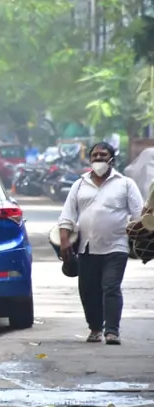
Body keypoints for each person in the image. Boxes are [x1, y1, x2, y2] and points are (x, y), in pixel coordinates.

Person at [58, 142, 144, 345]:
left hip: (116, 246)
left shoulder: (125, 184)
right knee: (88, 290)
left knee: (111, 287)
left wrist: (141, 237)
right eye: (94, 155)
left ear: (112, 159)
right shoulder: (79, 185)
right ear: (89, 159)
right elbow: (67, 216)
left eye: (103, 155)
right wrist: (64, 242)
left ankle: (112, 331)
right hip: (86, 248)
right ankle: (95, 329)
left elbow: (139, 215)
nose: (98, 158)